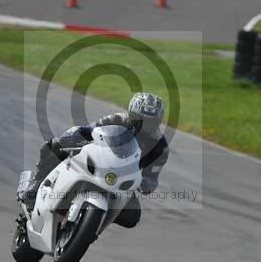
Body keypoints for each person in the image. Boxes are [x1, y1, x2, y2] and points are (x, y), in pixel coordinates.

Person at [20, 92, 169, 229]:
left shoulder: (160, 146)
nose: (145, 126)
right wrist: (71, 139)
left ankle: (91, 226)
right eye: (141, 120)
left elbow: (152, 178)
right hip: (99, 160)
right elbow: (88, 130)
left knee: (132, 216)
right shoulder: (117, 120)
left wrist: (143, 184)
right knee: (52, 146)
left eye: (151, 122)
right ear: (132, 114)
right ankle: (35, 187)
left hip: (122, 180)